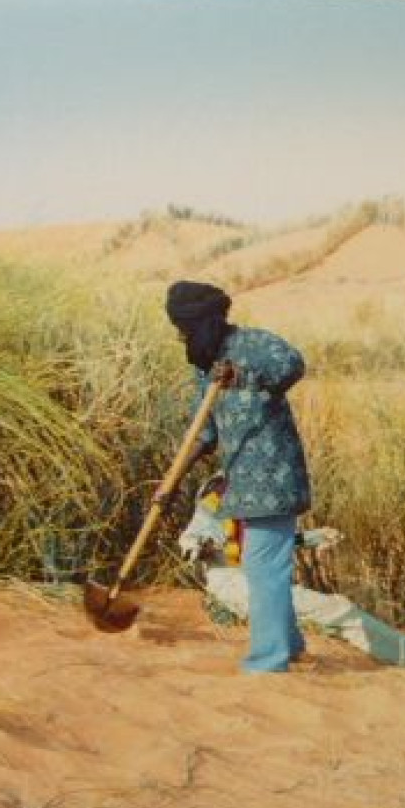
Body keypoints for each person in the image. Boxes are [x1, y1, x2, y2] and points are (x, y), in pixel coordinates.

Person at [164, 280, 311, 674]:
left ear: (203, 322)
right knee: (266, 567)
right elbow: (207, 431)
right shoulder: (207, 366)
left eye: (184, 328)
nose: (181, 336)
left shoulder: (253, 344)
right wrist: (175, 475)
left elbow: (292, 364)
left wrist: (242, 376)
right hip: (242, 485)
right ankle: (290, 644)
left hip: (275, 477)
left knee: (263, 566)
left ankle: (268, 661)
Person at [177, 475, 405, 667]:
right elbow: (197, 533)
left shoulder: (261, 492)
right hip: (235, 585)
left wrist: (312, 537)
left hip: (258, 580)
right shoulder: (220, 494)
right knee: (339, 610)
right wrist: (195, 545)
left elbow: (263, 544)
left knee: (334, 610)